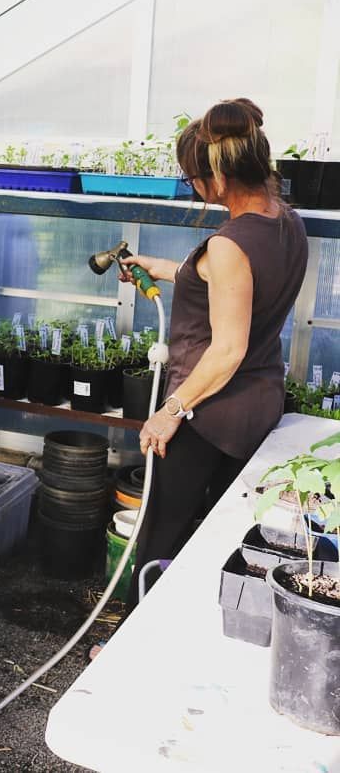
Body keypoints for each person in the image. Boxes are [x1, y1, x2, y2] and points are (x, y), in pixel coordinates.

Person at [119, 97, 308, 610]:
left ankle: (136, 645)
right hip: (259, 404)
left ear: (217, 180)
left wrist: (169, 412)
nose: (193, 187)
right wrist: (161, 267)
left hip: (208, 414)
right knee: (225, 539)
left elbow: (227, 349)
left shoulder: (229, 244)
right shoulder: (287, 221)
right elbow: (235, 283)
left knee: (165, 531)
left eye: (191, 179)